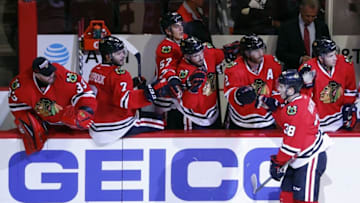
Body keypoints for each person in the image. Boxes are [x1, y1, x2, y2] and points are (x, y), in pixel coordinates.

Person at [257, 69, 331, 203]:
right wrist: (274, 109)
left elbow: (292, 146)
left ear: (291, 90)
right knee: (286, 196)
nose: (279, 89)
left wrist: (277, 163)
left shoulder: (297, 112)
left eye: (282, 86)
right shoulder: (300, 100)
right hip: (298, 157)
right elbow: (286, 120)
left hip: (310, 158)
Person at [8, 56, 97, 155]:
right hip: (47, 125)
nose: (51, 75)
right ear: (36, 74)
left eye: (51, 71)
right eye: (47, 74)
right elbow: (15, 106)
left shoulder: (64, 77)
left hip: (70, 123)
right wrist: (29, 120)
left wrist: (86, 110)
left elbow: (86, 93)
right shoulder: (21, 85)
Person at [88, 36, 167, 145]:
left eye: (123, 52)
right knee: (161, 123)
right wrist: (149, 93)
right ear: (107, 56)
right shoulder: (120, 74)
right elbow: (125, 101)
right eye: (118, 54)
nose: (123, 56)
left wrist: (132, 83)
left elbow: (108, 90)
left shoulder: (95, 70)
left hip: (97, 125)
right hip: (116, 127)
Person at [298, 38, 357, 132]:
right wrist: (307, 85)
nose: (335, 58)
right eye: (330, 56)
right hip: (318, 123)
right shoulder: (308, 69)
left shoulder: (345, 63)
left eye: (335, 54)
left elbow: (350, 89)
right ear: (321, 58)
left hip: (340, 119)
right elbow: (304, 100)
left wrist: (348, 106)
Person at [223, 34, 282, 129]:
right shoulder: (234, 69)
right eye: (255, 50)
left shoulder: (272, 62)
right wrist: (239, 95)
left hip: (267, 120)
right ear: (246, 53)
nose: (260, 53)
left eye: (262, 48)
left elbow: (278, 89)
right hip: (240, 120)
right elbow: (230, 94)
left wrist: (274, 101)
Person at [175, 36, 224, 130]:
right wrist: (193, 89)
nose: (201, 57)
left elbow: (220, 54)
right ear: (186, 56)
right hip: (194, 117)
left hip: (213, 112)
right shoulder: (183, 71)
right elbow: (188, 104)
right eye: (196, 56)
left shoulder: (208, 53)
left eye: (201, 53)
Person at [276, 0, 330, 70]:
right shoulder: (287, 27)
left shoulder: (322, 27)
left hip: (318, 71)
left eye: (313, 16)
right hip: (294, 71)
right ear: (301, 10)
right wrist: (300, 59)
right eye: (307, 16)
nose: (310, 19)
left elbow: (327, 49)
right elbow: (280, 53)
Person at [155, 11, 186, 129]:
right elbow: (166, 70)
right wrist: (172, 78)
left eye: (181, 25)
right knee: (170, 129)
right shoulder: (166, 47)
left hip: (179, 95)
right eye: (176, 26)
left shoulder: (183, 40)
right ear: (168, 31)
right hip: (167, 98)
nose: (181, 29)